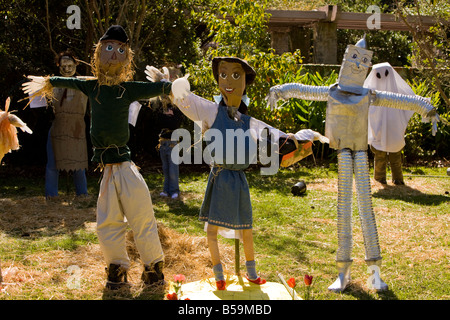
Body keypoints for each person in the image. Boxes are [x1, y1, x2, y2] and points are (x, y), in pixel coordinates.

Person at [267, 36, 440, 293]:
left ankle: (375, 273)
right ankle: (343, 272)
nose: (357, 66)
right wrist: (280, 90)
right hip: (344, 151)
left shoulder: (368, 94)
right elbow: (304, 88)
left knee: (366, 209)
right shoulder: (333, 90)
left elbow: (399, 100)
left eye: (362, 62)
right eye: (353, 60)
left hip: (360, 151)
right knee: (343, 209)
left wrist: (427, 108)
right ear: (346, 61)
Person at [148, 56, 328, 290]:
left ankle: (251, 272)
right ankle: (219, 275)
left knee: (245, 229)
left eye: (235, 75)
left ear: (245, 82)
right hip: (220, 177)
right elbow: (187, 100)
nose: (228, 81)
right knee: (212, 229)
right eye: (223, 75)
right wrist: (168, 86)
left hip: (238, 180)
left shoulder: (250, 123)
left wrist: (306, 135)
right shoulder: (212, 112)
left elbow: (278, 136)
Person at [23, 25, 172, 289]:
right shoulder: (93, 88)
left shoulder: (128, 89)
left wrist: (169, 84)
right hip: (107, 170)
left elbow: (160, 90)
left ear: (127, 57)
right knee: (107, 222)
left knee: (142, 217)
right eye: (109, 48)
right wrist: (48, 82)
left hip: (126, 168)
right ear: (97, 54)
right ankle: (116, 268)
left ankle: (153, 269)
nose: (114, 54)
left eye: (120, 49)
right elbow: (68, 81)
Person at [45, 50, 89, 199]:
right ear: (59, 67)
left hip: (77, 128)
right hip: (58, 126)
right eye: (64, 66)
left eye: (70, 65)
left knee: (78, 164)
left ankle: (82, 194)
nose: (67, 69)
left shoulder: (84, 84)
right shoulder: (52, 85)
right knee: (53, 163)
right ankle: (51, 195)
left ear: (76, 65)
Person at [364, 62, 415, 185]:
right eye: (378, 75)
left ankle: (397, 179)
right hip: (379, 126)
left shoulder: (399, 92)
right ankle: (380, 178)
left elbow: (413, 100)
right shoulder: (369, 92)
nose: (382, 78)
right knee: (380, 154)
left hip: (394, 126)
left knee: (395, 154)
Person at [157, 97, 183, 199]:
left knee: (173, 168)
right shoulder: (161, 107)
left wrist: (167, 118)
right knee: (166, 168)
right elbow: (159, 122)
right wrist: (168, 117)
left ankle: (174, 190)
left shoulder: (177, 108)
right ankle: (166, 190)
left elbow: (175, 124)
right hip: (163, 142)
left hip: (172, 142)